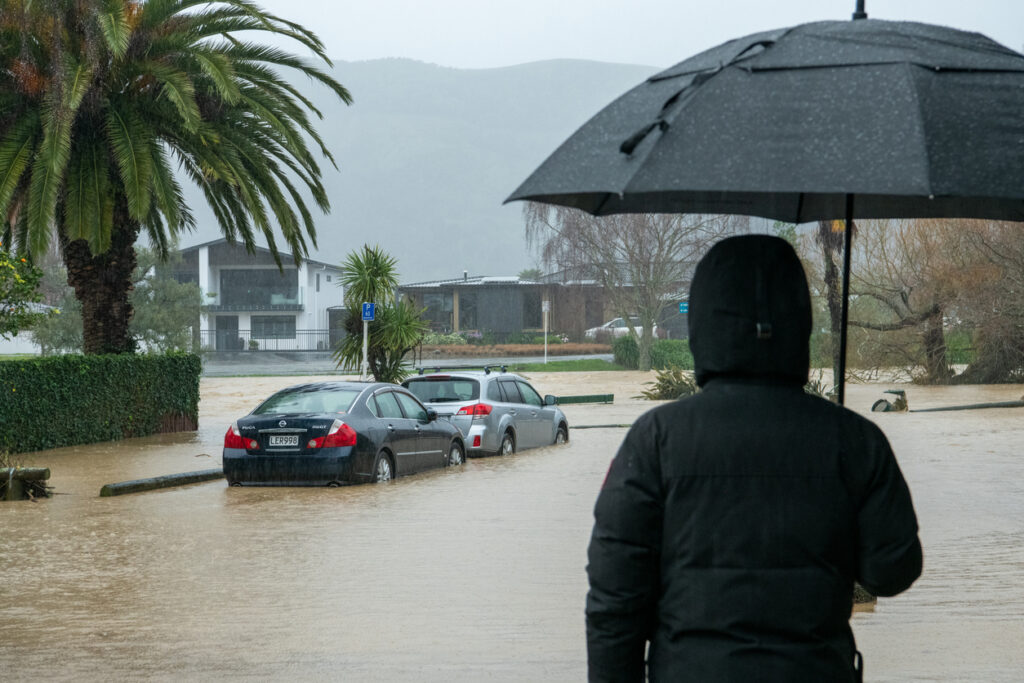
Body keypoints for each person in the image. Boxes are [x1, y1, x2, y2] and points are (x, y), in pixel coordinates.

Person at [585, 235, 922, 682]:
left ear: (703, 325)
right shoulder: (855, 440)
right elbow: (892, 571)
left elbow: (614, 603)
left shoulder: (654, 440)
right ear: (799, 322)